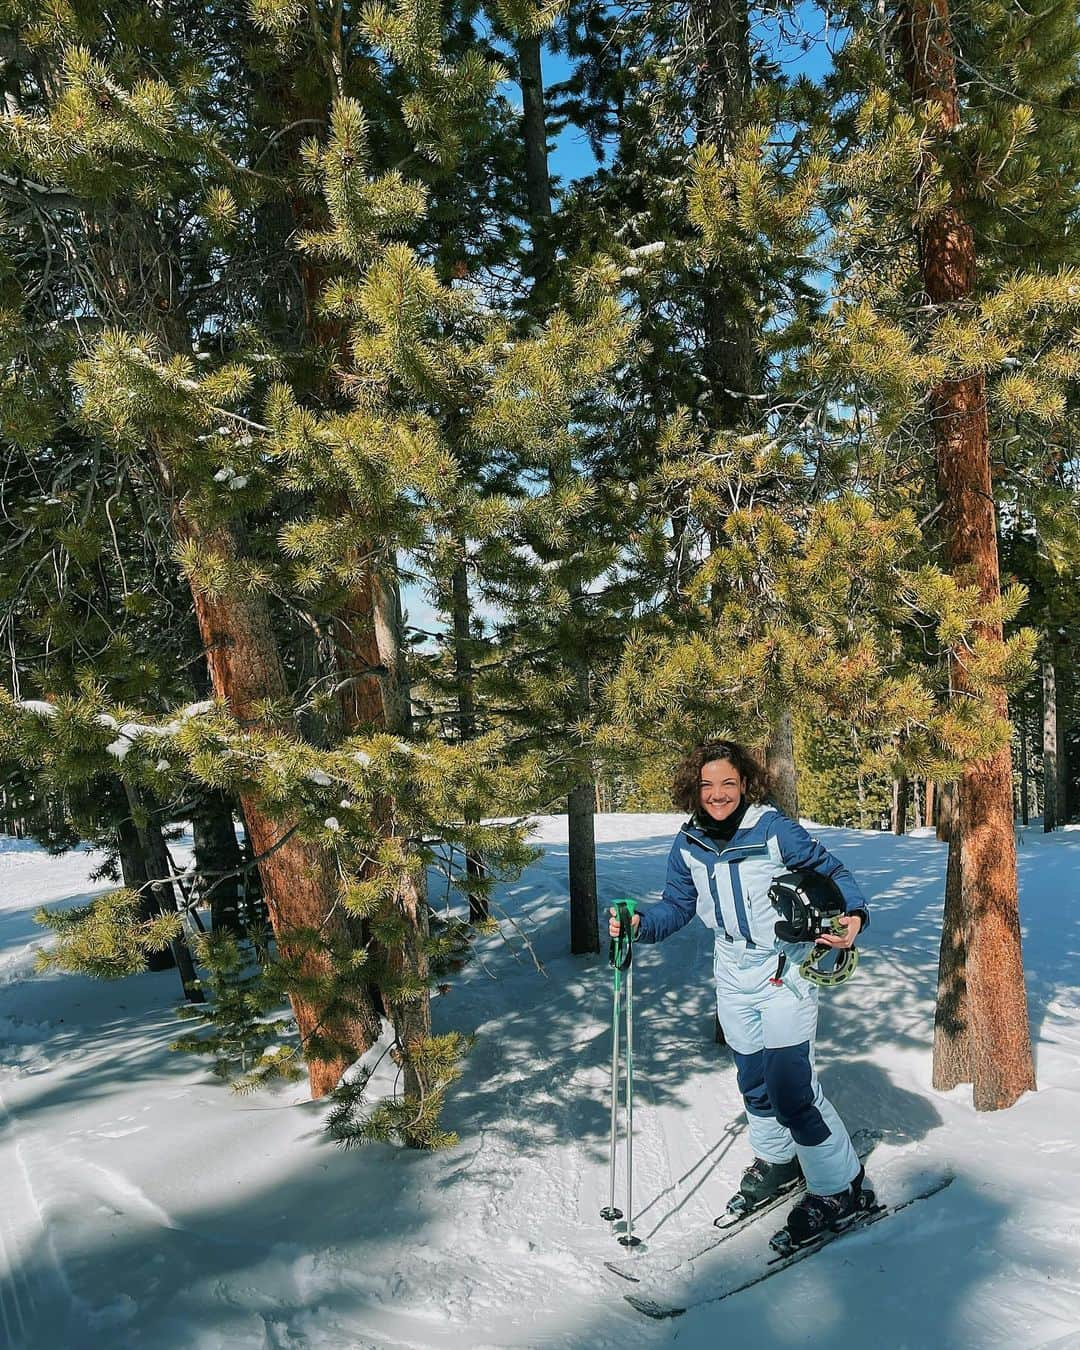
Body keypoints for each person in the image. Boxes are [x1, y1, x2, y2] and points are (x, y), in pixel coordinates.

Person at [608, 739, 871, 1247]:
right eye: (707, 785)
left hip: (783, 969)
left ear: (745, 784)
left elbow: (833, 872)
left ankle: (840, 1186)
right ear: (695, 789)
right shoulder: (688, 843)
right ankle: (778, 1161)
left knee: (791, 1087)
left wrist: (853, 916)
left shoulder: (773, 831)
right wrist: (640, 923)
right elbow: (677, 907)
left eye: (728, 783)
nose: (718, 794)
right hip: (730, 968)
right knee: (752, 1078)